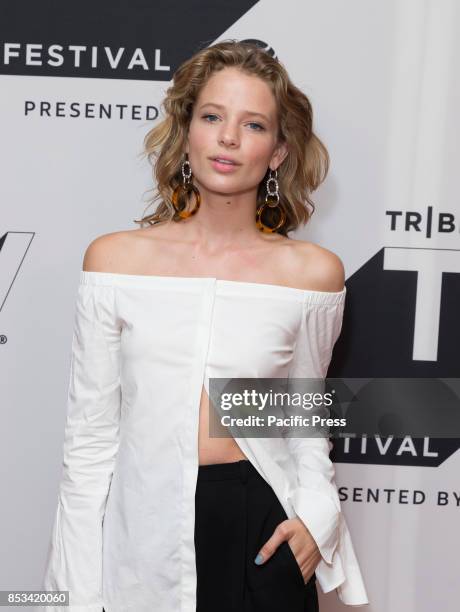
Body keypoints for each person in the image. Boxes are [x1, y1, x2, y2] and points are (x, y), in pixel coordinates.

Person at [41, 40, 369, 611]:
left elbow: (302, 416)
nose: (228, 139)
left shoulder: (311, 274)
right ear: (186, 131)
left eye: (254, 125)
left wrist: (318, 516)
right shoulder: (116, 262)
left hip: (263, 529)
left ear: (277, 152)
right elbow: (90, 442)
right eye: (212, 117)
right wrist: (68, 594)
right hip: (142, 527)